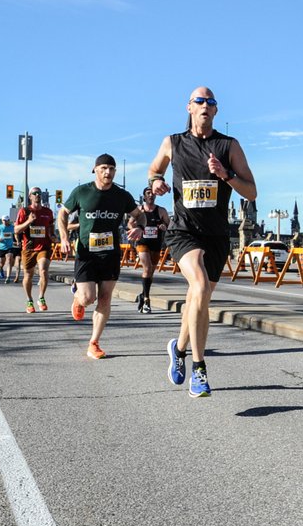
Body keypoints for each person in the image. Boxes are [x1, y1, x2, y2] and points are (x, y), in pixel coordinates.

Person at [148, 87, 257, 397]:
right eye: (200, 101)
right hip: (184, 231)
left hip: (217, 236)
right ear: (190, 108)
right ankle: (199, 369)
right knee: (198, 288)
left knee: (200, 298)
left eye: (211, 102)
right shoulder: (173, 143)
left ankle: (178, 349)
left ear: (216, 111)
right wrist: (156, 182)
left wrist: (226, 175)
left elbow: (251, 192)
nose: (205, 105)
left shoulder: (228, 145)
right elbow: (154, 169)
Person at [57, 155, 145, 360]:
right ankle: (79, 296)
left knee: (105, 297)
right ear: (95, 170)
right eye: (104, 168)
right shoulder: (82, 192)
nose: (108, 172)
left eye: (112, 169)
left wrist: (140, 226)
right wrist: (63, 238)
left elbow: (139, 214)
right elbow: (63, 214)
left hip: (110, 254)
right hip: (86, 253)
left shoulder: (122, 196)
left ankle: (94, 343)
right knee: (88, 297)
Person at [130, 186, 171, 314]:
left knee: (151, 272)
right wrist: (135, 229)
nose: (151, 196)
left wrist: (164, 226)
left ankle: (143, 294)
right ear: (144, 196)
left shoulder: (161, 211)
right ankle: (147, 300)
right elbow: (130, 223)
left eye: (152, 193)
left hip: (156, 244)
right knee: (147, 268)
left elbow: (169, 225)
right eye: (148, 193)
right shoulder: (139, 210)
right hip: (142, 243)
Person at [15, 187, 55, 314]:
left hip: (44, 247)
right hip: (29, 247)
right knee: (28, 275)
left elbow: (50, 227)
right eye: (35, 193)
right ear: (30, 197)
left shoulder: (48, 212)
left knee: (43, 270)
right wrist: (29, 221)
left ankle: (41, 298)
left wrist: (53, 236)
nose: (37, 195)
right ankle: (29, 300)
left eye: (39, 193)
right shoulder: (24, 211)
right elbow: (16, 230)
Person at [0, 216, 17, 282]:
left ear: (9, 220)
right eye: (3, 220)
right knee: (2, 263)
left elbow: (16, 235)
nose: (5, 222)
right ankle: (1, 268)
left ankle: (8, 277)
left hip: (10, 247)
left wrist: (17, 241)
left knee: (9, 260)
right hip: (1, 247)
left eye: (6, 220)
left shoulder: (12, 227)